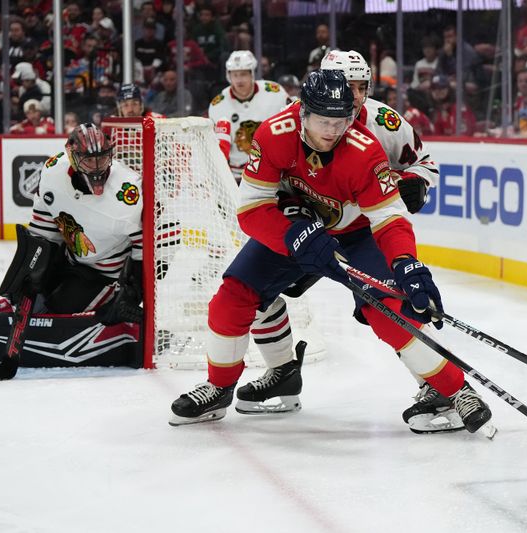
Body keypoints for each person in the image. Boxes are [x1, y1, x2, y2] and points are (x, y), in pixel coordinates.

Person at [169, 70, 492, 435]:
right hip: (291, 230)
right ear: (302, 112)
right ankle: (219, 386)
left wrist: (406, 262)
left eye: (341, 121)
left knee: (390, 313)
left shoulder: (364, 149)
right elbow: (252, 208)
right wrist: (294, 236)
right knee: (233, 296)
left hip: (356, 236)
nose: (332, 131)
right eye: (323, 121)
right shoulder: (273, 134)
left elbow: (388, 217)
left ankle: (454, 390)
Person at [0, 123, 145, 369]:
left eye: (102, 158)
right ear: (71, 156)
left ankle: (107, 312)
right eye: (89, 160)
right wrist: (29, 273)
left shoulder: (128, 190)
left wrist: (133, 292)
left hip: (104, 275)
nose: (98, 167)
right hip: (70, 260)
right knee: (20, 294)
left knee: (57, 309)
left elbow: (148, 248)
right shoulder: (52, 171)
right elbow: (43, 231)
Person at [207, 50, 291, 180]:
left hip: (272, 171)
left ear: (252, 73)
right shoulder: (218, 105)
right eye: (235, 75)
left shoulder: (275, 93)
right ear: (228, 76)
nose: (239, 80)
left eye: (243, 74)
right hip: (236, 175)